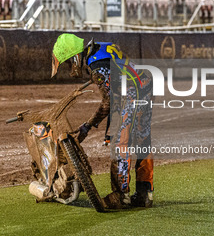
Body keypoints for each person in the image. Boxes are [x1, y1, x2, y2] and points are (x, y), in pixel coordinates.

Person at [51, 33, 154, 209]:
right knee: (142, 140)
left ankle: (120, 196)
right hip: (144, 84)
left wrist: (88, 125)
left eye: (69, 62)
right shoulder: (99, 47)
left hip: (132, 91)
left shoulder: (97, 65)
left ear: (76, 57)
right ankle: (145, 194)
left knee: (121, 143)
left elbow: (108, 103)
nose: (70, 66)